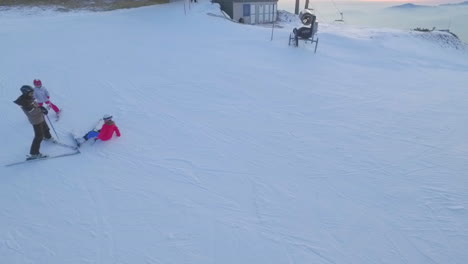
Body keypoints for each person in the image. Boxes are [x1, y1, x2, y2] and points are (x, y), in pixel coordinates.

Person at [14, 85, 54, 159]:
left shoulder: (29, 98)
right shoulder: (25, 102)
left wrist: (41, 108)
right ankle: (34, 153)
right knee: (39, 136)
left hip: (40, 117)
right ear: (25, 93)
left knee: (46, 128)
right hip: (36, 120)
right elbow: (32, 112)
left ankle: (48, 137)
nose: (32, 94)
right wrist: (42, 109)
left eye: (32, 92)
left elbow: (36, 106)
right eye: (30, 93)